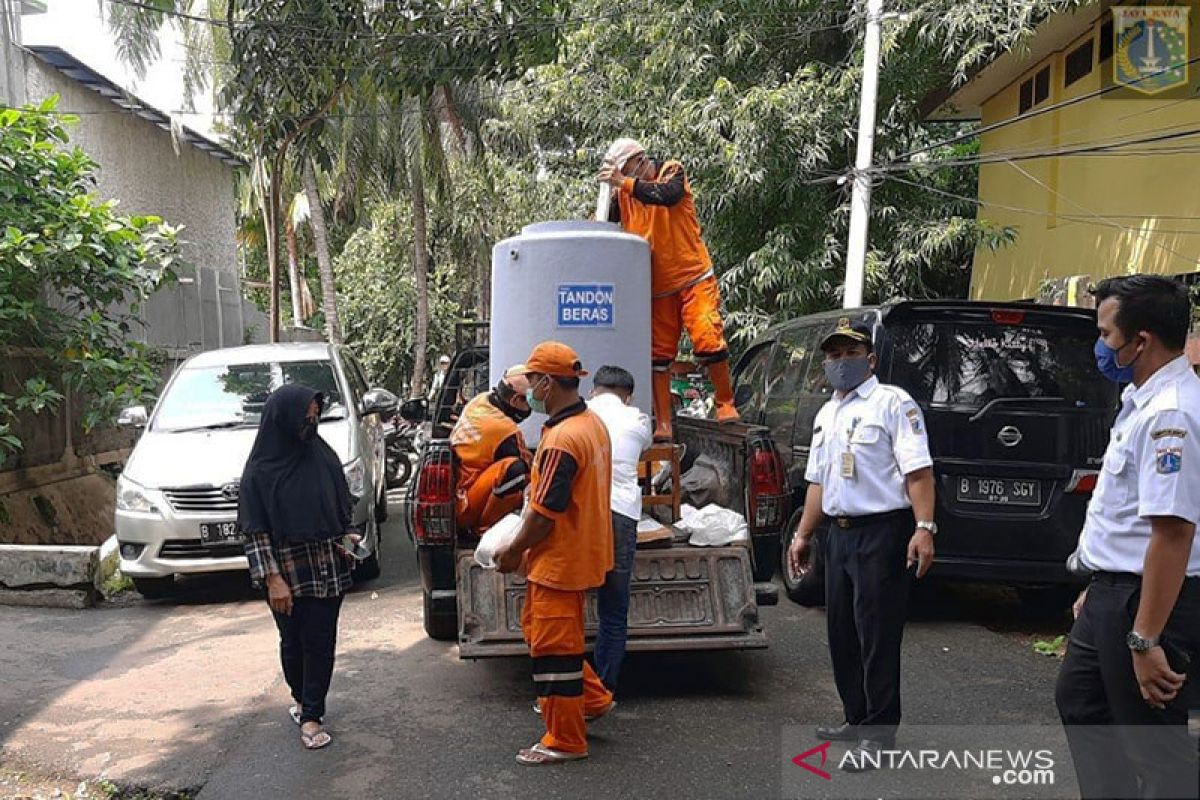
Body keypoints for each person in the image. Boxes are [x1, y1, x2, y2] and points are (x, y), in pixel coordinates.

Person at [1055, 275, 1200, 799]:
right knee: (1081, 703)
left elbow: (1173, 532)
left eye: (1105, 333)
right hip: (1113, 591)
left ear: (1140, 341)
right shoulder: (1142, 400)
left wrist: (1146, 638)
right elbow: (1128, 517)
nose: (1100, 345)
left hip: (1148, 601)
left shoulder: (1172, 414)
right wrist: (1099, 582)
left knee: (1154, 748)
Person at [786, 319, 936, 770]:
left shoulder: (893, 404)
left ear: (869, 360)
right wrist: (804, 535)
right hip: (838, 533)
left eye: (850, 354)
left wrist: (924, 527)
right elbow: (817, 481)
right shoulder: (827, 413)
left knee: (877, 634)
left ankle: (879, 731)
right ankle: (855, 716)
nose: (840, 363)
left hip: (882, 533)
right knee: (842, 633)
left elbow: (919, 472)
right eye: (833, 356)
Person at [493, 342, 616, 765]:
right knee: (543, 633)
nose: (527, 390)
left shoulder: (564, 438)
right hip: (580, 553)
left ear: (547, 382)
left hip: (559, 560)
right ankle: (594, 701)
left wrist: (511, 550)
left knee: (554, 654)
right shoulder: (589, 423)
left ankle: (564, 739)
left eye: (531, 381)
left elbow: (544, 515)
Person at [237, 383, 357, 751]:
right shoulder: (259, 470)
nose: (312, 423)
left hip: (326, 564)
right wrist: (273, 579)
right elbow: (254, 530)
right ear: (283, 419)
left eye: (315, 416)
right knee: (293, 642)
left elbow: (342, 498)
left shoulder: (321, 454)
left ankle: (312, 714)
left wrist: (349, 534)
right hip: (286, 569)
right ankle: (302, 697)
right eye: (305, 418)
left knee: (320, 642)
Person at [598, 137, 739, 442]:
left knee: (706, 335)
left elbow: (666, 196)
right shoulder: (623, 195)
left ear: (640, 160)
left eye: (628, 169)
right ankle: (663, 423)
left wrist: (623, 182)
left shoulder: (671, 172)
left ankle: (725, 402)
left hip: (693, 278)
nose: (627, 176)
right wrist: (609, 194)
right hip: (657, 288)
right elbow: (604, 230)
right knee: (658, 355)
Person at [588, 365, 653, 691]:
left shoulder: (579, 416)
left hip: (582, 516)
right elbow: (642, 448)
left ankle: (567, 690)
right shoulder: (639, 420)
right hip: (621, 516)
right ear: (628, 396)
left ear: (594, 390)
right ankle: (603, 688)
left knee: (567, 606)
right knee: (613, 610)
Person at [449, 365, 534, 532]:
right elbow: (530, 471)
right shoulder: (504, 429)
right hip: (466, 504)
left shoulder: (481, 400)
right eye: (530, 401)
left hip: (458, 492)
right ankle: (485, 529)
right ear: (516, 400)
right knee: (516, 469)